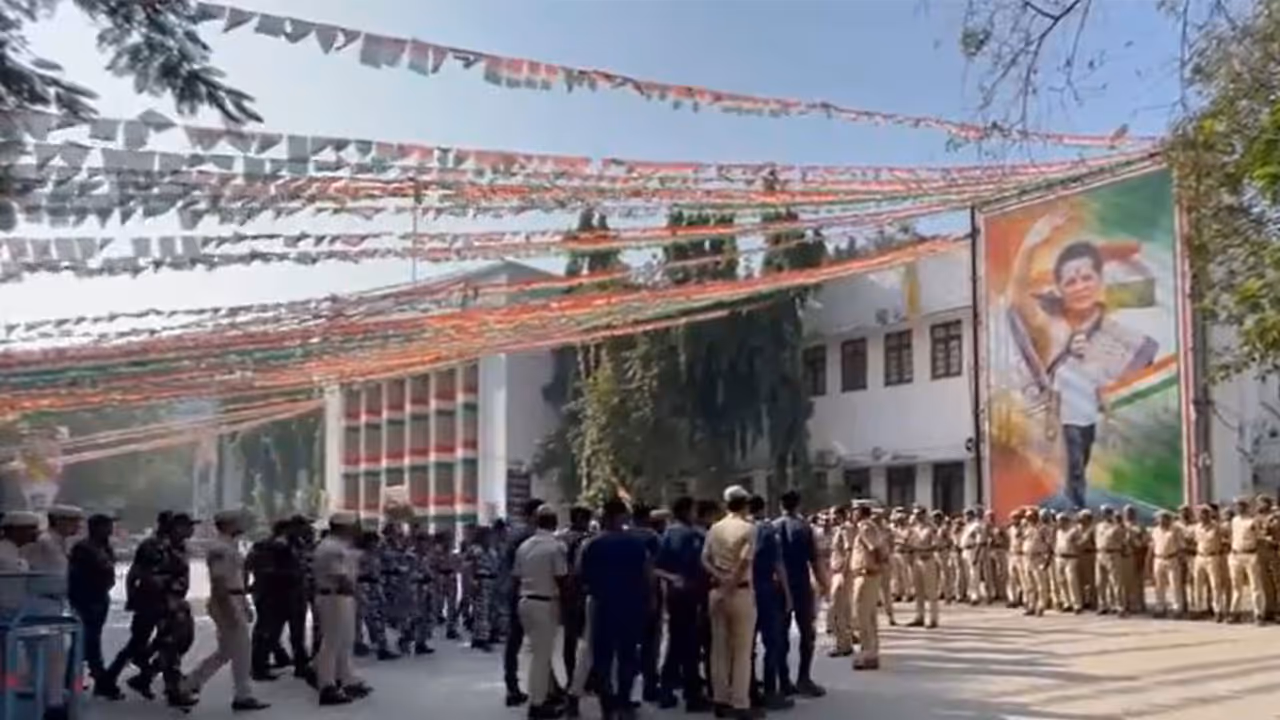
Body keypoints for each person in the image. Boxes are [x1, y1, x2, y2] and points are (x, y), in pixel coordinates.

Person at [179, 510, 269, 711]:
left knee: (227, 651)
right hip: (226, 600)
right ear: (228, 524)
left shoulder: (229, 546)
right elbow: (219, 581)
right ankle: (243, 695)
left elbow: (236, 580)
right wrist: (229, 609)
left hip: (234, 598)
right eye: (238, 522)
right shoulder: (220, 548)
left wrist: (244, 604)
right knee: (241, 650)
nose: (242, 525)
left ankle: (190, 683)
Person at [579, 499, 651, 720]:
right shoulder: (637, 544)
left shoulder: (592, 544)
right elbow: (647, 576)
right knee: (627, 656)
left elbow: (582, 579)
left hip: (603, 607)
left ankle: (607, 704)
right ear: (621, 517)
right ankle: (624, 702)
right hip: (630, 607)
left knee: (603, 657)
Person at [22, 504, 83, 720]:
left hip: (55, 603)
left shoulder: (58, 544)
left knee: (56, 659)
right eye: (73, 521)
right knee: (49, 659)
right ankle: (50, 706)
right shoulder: (44, 543)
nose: (77, 526)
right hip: (41, 603)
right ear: (59, 521)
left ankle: (51, 703)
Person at [702, 486, 757, 720]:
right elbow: (744, 562)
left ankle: (720, 699)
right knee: (742, 651)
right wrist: (730, 585)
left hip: (716, 591)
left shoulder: (715, 528)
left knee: (719, 650)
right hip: (739, 591)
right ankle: (740, 703)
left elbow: (704, 559)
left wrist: (720, 579)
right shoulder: (748, 529)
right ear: (745, 504)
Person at [104, 511, 172, 699]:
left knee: (167, 640)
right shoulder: (151, 545)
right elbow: (135, 573)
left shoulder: (172, 545)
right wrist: (132, 598)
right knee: (137, 642)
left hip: (165, 601)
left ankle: (147, 675)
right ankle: (111, 677)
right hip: (149, 601)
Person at [513, 504, 570, 720]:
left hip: (525, 601)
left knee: (538, 652)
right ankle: (537, 705)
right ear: (554, 522)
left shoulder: (524, 546)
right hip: (545, 603)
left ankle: (547, 695)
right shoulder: (556, 547)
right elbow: (562, 578)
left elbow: (516, 576)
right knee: (541, 656)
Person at [655, 496, 710, 711]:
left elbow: (657, 567)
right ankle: (692, 695)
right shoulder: (693, 536)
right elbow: (702, 567)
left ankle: (667, 690)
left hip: (675, 596)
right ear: (687, 511)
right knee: (691, 646)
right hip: (692, 596)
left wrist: (672, 578)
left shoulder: (668, 533)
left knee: (677, 643)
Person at [774, 489, 826, 698]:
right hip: (801, 584)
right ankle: (804, 678)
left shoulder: (773, 526)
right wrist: (824, 584)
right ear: (798, 505)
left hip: (780, 586)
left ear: (780, 505)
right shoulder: (804, 527)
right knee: (807, 633)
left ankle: (783, 680)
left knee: (781, 634)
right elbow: (814, 560)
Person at [313, 511, 369, 706]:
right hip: (333, 596)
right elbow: (341, 576)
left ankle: (346, 680)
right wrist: (353, 588)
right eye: (353, 526)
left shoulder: (340, 546)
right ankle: (326, 685)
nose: (356, 530)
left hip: (340, 596)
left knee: (344, 641)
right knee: (332, 642)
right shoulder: (331, 547)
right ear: (344, 527)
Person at [69, 512, 120, 700]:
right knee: (88, 641)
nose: (111, 529)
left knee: (91, 640)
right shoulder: (84, 548)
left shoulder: (104, 547)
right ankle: (97, 679)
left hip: (100, 598)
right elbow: (77, 577)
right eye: (107, 525)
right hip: (86, 600)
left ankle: (82, 677)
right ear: (96, 528)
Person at [748, 494, 793, 710]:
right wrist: (788, 594)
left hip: (743, 590)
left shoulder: (739, 529)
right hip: (765, 589)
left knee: (747, 645)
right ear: (762, 508)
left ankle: (748, 690)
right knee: (772, 643)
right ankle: (770, 690)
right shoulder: (766, 530)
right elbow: (778, 564)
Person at [504, 498, 549, 707]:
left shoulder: (515, 536)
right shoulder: (532, 538)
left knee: (514, 642)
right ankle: (541, 691)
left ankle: (512, 687)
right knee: (539, 645)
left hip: (516, 593)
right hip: (531, 593)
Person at [557, 506, 593, 686]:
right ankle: (586, 678)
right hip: (583, 592)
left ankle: (572, 677)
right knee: (587, 639)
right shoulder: (590, 540)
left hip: (567, 593)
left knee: (570, 639)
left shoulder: (559, 538)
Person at [848, 501, 885, 671]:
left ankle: (867, 654)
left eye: (854, 511)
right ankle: (872, 654)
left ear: (860, 512)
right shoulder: (869, 526)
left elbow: (874, 548)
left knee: (862, 616)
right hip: (868, 574)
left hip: (866, 574)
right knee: (869, 616)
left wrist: (875, 567)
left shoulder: (865, 527)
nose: (852, 514)